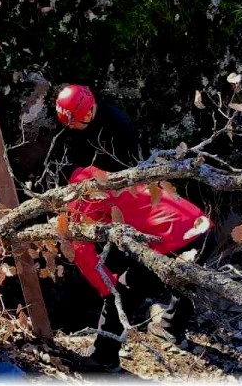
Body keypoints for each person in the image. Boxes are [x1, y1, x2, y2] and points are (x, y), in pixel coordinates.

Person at [54, 84, 211, 371]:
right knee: (187, 280)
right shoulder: (117, 178)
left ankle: (103, 358)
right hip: (200, 226)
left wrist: (106, 287)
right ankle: (169, 328)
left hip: (174, 237)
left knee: (123, 291)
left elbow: (82, 250)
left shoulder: (84, 194)